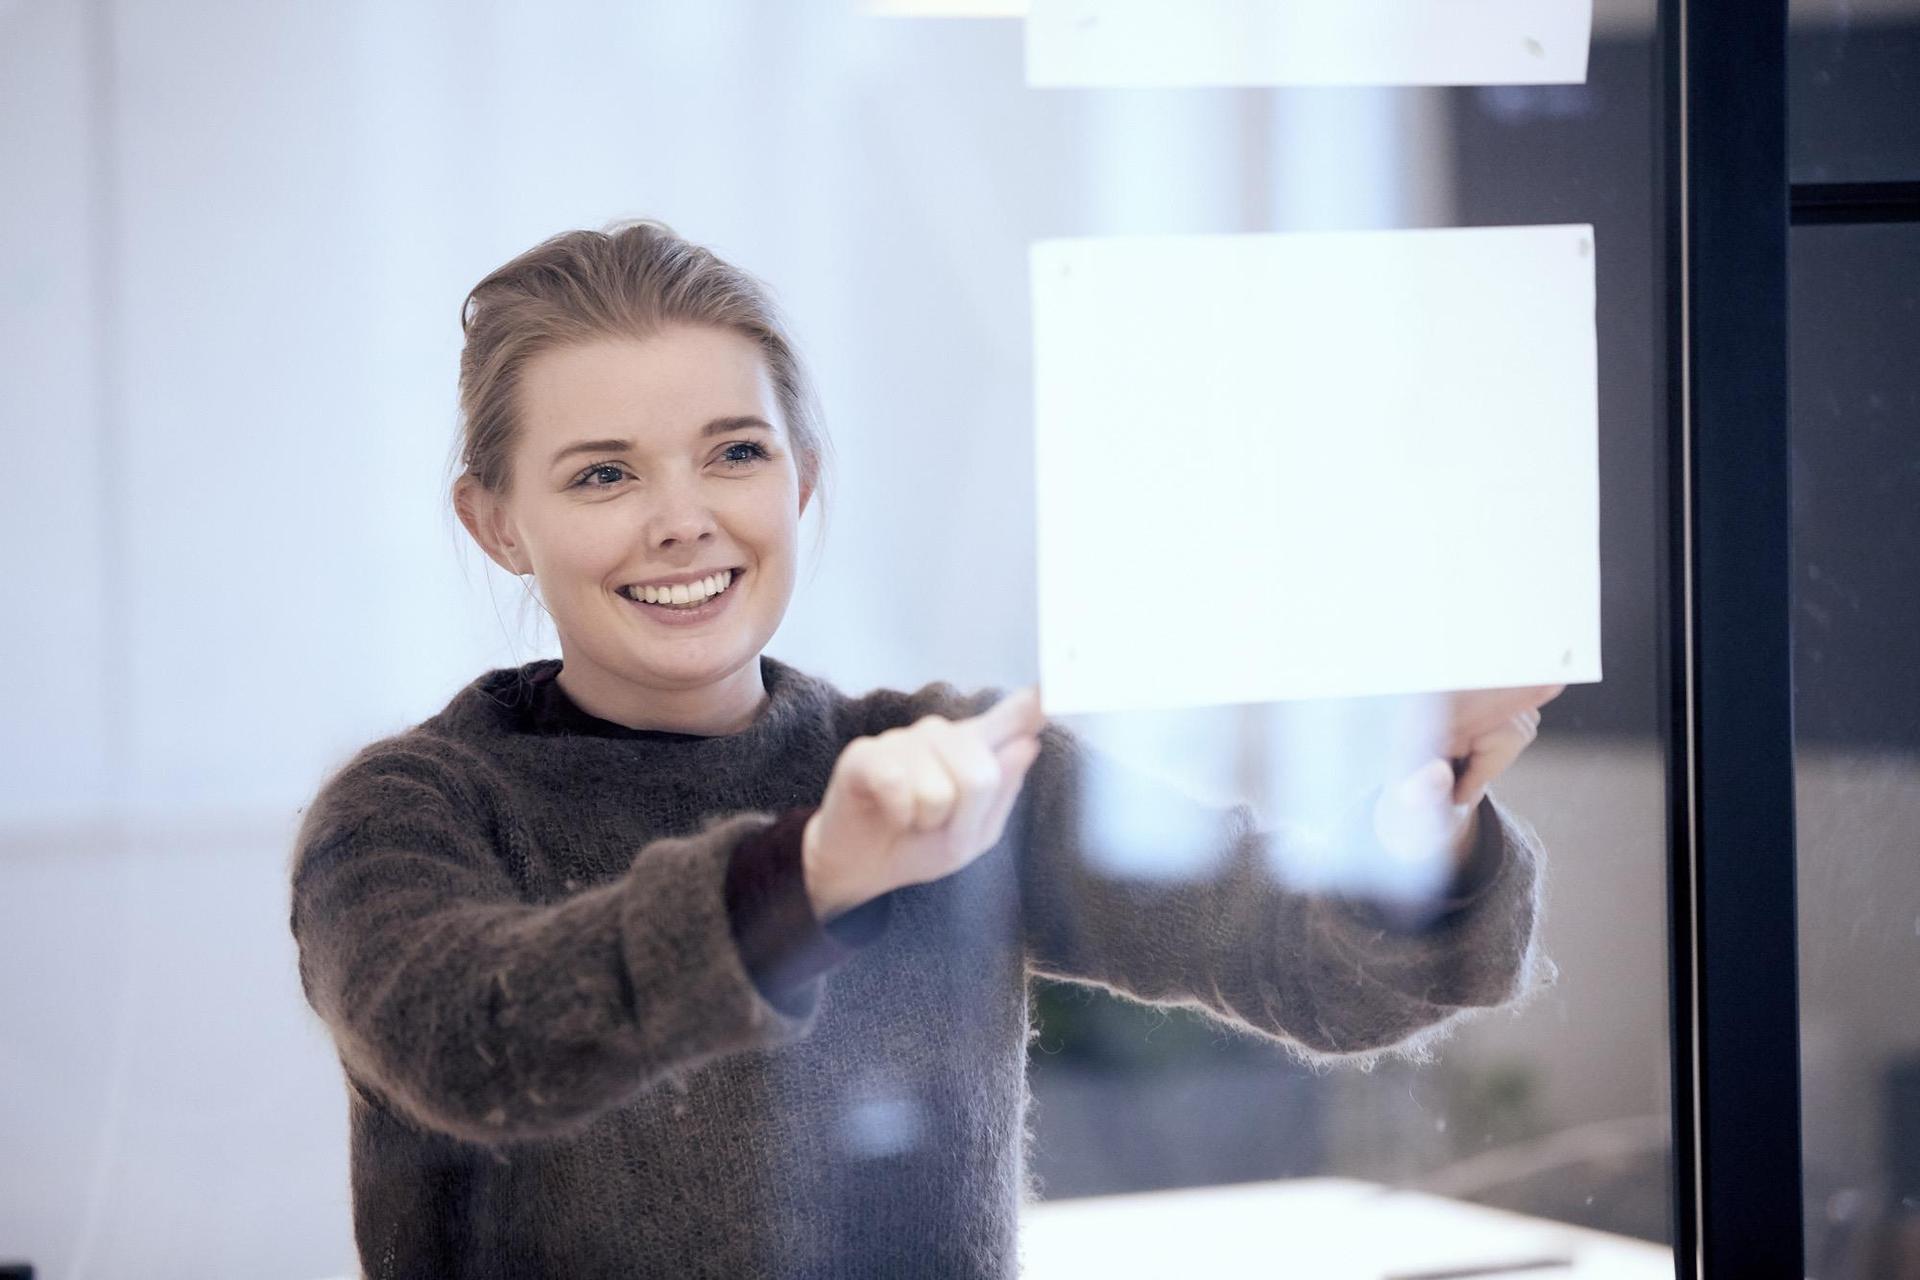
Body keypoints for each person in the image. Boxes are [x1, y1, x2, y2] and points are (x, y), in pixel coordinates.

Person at [287, 218, 1561, 1279]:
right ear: (496, 522)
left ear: (805, 479)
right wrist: (817, 872)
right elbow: (479, 1040)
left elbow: (1316, 970)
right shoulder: (410, 812)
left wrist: (1424, 813)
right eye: (603, 475)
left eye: (735, 452)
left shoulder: (947, 755)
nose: (682, 521)